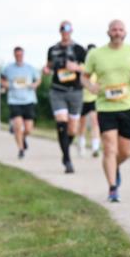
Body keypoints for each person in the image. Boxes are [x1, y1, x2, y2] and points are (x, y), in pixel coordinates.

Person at [83, 20, 130, 203]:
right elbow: (84, 76)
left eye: (120, 29)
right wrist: (90, 86)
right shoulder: (96, 54)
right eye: (114, 29)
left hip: (129, 105)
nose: (117, 32)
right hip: (106, 106)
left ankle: (114, 167)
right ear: (108, 32)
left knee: (125, 151)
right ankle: (113, 188)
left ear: (125, 32)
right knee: (109, 148)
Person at [43, 21, 88, 173]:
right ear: (60, 31)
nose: (65, 32)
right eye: (63, 29)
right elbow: (48, 66)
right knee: (61, 123)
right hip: (57, 90)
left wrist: (76, 68)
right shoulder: (53, 49)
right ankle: (67, 159)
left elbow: (88, 68)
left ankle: (65, 151)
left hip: (75, 90)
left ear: (72, 31)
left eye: (68, 29)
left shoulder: (79, 49)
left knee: (72, 129)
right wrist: (46, 69)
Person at [1, 46, 40, 159]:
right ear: (14, 55)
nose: (19, 57)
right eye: (17, 55)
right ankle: (21, 149)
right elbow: (1, 79)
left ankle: (23, 138)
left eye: (20, 55)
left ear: (23, 55)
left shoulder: (30, 68)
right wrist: (6, 84)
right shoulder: (8, 68)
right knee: (18, 126)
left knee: (28, 129)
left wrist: (34, 85)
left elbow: (38, 79)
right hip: (14, 100)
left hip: (28, 100)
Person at [77, 44, 102, 158]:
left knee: (94, 122)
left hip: (93, 99)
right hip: (82, 99)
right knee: (81, 124)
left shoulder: (98, 67)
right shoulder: (82, 66)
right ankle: (81, 144)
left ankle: (95, 147)